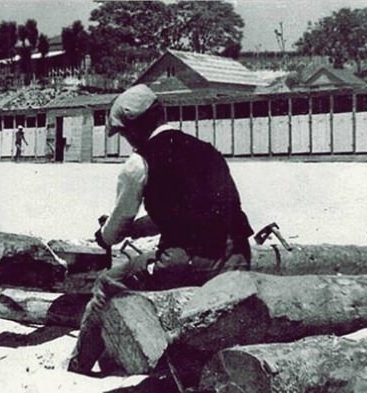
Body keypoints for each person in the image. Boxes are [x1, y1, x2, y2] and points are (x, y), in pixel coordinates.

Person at [68, 84, 254, 375]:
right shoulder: (207, 151)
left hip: (189, 260)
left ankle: (78, 366)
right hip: (237, 256)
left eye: (126, 134)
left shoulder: (139, 163)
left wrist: (105, 235)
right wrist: (136, 230)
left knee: (107, 285)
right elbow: (181, 214)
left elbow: (114, 233)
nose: (128, 141)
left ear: (135, 129)